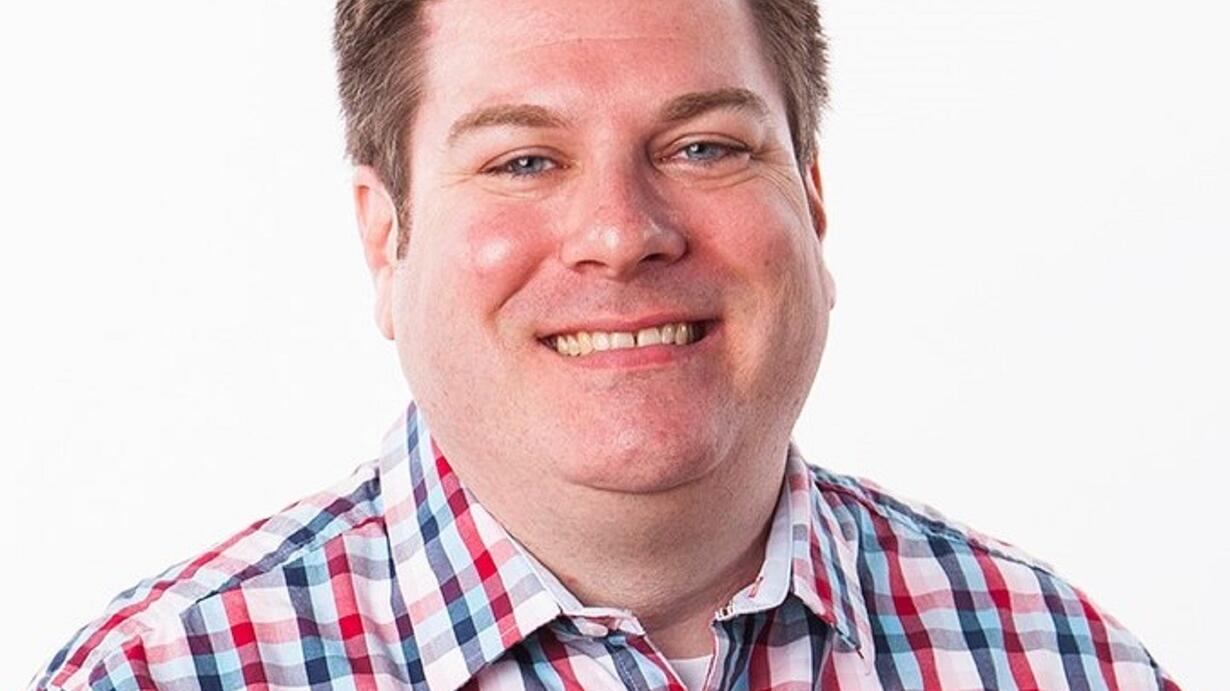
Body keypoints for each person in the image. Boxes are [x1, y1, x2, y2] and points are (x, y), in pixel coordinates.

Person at [31, 0, 1178, 689]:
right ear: (386, 240)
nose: (623, 234)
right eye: (524, 161)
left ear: (814, 205)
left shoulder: (1065, 663)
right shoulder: (160, 676)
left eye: (705, 146)